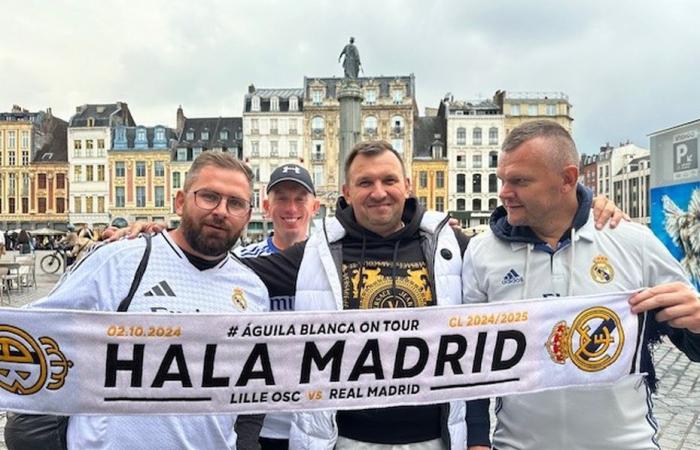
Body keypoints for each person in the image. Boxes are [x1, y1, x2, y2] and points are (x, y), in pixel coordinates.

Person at [111, 141, 623, 449]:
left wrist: (585, 207)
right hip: (345, 438)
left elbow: (490, 323)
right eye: (365, 183)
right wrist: (164, 237)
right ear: (347, 194)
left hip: (432, 436)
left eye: (388, 180)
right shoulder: (314, 252)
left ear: (406, 184)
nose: (378, 191)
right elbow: (225, 274)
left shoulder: (451, 244)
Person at [461, 120, 700, 450]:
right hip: (517, 445)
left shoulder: (632, 242)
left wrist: (698, 323)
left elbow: (692, 345)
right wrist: (476, 441)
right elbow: (472, 360)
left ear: (567, 179)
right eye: (503, 179)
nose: (503, 192)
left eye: (519, 181)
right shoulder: (481, 252)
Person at [6, 152, 269, 450]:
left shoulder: (253, 291)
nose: (221, 211)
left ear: (247, 215)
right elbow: (30, 336)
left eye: (235, 203)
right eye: (209, 197)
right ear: (180, 201)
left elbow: (251, 391)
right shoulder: (118, 260)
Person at [234, 164, 319, 450]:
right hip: (259, 420)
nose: (291, 207)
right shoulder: (239, 260)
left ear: (315, 206)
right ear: (267, 206)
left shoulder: (331, 263)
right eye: (282, 198)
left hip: (318, 418)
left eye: (300, 198)